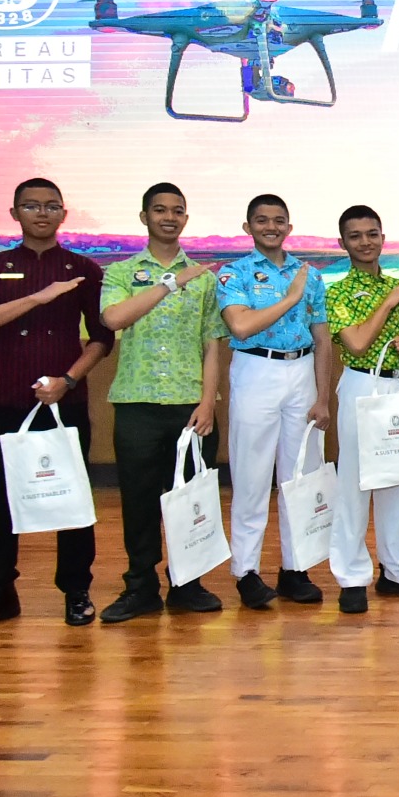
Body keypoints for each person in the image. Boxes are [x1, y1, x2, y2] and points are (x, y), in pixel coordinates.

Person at [0, 179, 113, 632]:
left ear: (63, 213)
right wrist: (37, 298)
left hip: (64, 402)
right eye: (31, 206)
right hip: (3, 400)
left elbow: (101, 338)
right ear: (14, 213)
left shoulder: (83, 269)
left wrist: (68, 380)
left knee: (72, 498)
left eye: (50, 206)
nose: (41, 213)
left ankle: (76, 590)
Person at [96, 183, 226, 623]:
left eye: (177, 211)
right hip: (137, 402)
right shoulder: (121, 272)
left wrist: (208, 402)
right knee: (138, 501)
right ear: (144, 217)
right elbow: (113, 318)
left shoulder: (204, 277)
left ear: (185, 218)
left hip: (191, 406)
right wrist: (169, 284)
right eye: (160, 210)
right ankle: (140, 587)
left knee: (191, 499)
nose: (169, 217)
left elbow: (212, 344)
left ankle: (187, 584)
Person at [326, 205, 399, 614]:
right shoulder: (337, 292)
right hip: (360, 384)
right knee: (356, 483)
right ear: (342, 243)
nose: (365, 242)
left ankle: (398, 572)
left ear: (382, 237)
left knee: (397, 478)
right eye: (355, 236)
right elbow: (357, 344)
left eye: (372, 234)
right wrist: (388, 304)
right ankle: (351, 576)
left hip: (398, 383)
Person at [217, 194, 332, 608]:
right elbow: (241, 326)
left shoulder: (309, 275)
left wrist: (323, 397)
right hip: (255, 370)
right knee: (251, 476)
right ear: (247, 227)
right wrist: (289, 298)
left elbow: (322, 339)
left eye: (279, 220)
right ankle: (246, 571)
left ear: (289, 226)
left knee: (301, 475)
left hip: (301, 371)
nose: (271, 227)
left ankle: (295, 569)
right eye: (262, 220)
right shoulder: (233, 273)